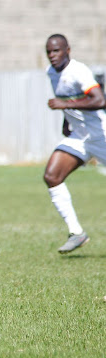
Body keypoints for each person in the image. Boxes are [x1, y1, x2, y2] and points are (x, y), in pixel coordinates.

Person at [43, 34, 106, 254]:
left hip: (100, 135)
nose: (52, 56)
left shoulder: (79, 71)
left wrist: (64, 105)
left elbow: (99, 100)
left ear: (67, 50)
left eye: (57, 51)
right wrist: (66, 120)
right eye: (49, 52)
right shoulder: (52, 73)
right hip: (79, 137)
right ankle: (76, 232)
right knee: (52, 176)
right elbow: (66, 100)